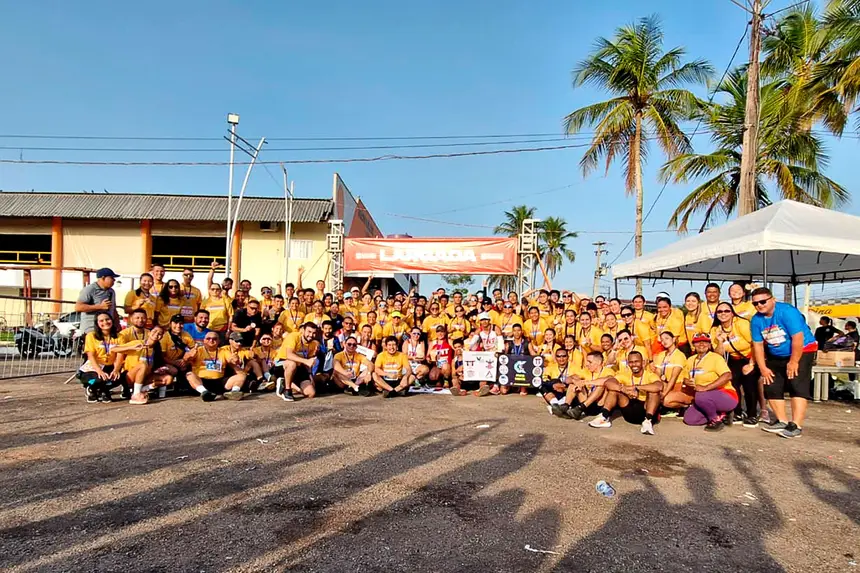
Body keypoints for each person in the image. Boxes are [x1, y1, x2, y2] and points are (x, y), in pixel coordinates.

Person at [750, 287, 817, 439]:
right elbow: (758, 345)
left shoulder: (787, 312)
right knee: (771, 383)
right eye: (755, 303)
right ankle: (782, 420)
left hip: (802, 349)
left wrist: (794, 361)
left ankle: (796, 425)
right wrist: (763, 368)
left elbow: (798, 338)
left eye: (763, 301)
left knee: (796, 384)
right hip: (776, 352)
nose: (759, 305)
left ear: (772, 299)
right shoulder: (756, 320)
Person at [587, 351, 663, 435]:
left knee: (654, 392)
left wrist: (636, 387)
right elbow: (608, 382)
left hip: (645, 410)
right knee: (614, 389)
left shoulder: (650, 375)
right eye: (631, 362)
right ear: (628, 364)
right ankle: (603, 417)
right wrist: (624, 389)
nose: (634, 364)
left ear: (643, 362)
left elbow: (659, 386)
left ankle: (648, 421)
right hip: (629, 410)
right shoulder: (625, 375)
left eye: (636, 361)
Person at [711, 302, 760, 427]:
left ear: (732, 313)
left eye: (726, 311)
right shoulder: (715, 330)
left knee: (749, 383)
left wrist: (751, 364)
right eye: (720, 312)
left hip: (751, 356)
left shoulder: (741, 324)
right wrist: (720, 341)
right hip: (734, 358)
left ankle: (752, 414)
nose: (723, 314)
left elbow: (755, 343)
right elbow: (717, 354)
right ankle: (737, 412)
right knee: (733, 383)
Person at [681, 333, 738, 431]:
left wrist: (706, 387)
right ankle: (721, 414)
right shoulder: (690, 360)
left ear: (709, 345)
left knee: (700, 395)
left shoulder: (715, 357)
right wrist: (686, 381)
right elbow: (685, 378)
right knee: (690, 419)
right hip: (704, 397)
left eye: (705, 342)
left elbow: (727, 375)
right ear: (693, 345)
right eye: (698, 342)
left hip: (726, 394)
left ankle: (715, 420)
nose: (701, 344)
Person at [120, 322, 173, 405]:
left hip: (145, 377)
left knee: (168, 378)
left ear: (161, 337)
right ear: (149, 333)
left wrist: (158, 370)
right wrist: (131, 347)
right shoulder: (138, 343)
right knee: (142, 365)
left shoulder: (156, 350)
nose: (156, 335)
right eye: (154, 332)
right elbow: (114, 349)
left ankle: (143, 389)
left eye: (160, 334)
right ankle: (136, 395)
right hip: (130, 376)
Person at [186, 331, 247, 402]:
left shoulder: (223, 351)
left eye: (214, 339)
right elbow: (185, 359)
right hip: (202, 381)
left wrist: (234, 359)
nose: (211, 340)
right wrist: (189, 355)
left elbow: (231, 359)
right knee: (189, 374)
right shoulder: (198, 350)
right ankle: (204, 392)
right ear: (204, 340)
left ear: (218, 341)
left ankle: (234, 392)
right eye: (208, 338)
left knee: (242, 375)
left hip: (219, 381)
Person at [79, 312, 125, 402]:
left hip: (110, 366)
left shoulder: (120, 336)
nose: (105, 322)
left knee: (119, 378)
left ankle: (103, 389)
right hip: (94, 367)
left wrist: (116, 370)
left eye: (107, 319)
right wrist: (99, 371)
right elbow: (90, 356)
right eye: (101, 321)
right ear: (97, 323)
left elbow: (120, 354)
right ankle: (91, 388)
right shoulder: (91, 336)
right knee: (97, 380)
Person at [275, 322, 321, 401]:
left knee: (311, 393)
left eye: (313, 333)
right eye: (309, 332)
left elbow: (309, 362)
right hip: (283, 363)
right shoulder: (293, 336)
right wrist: (306, 361)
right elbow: (289, 355)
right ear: (303, 330)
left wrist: (310, 376)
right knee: (292, 364)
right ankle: (287, 391)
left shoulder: (313, 344)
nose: (311, 335)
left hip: (299, 366)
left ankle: (286, 383)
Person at [565, 351, 614, 420]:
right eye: (587, 361)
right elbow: (567, 379)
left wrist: (586, 382)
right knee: (573, 383)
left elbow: (608, 379)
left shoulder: (608, 371)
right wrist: (576, 381)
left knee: (602, 385)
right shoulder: (586, 370)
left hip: (599, 405)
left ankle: (581, 408)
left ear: (599, 363)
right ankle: (565, 406)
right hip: (585, 400)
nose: (587, 364)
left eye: (590, 362)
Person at [75, 268, 120, 334]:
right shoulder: (89, 289)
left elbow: (113, 310)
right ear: (103, 278)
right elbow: (78, 307)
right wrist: (100, 306)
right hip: (92, 329)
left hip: (107, 329)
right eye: (111, 277)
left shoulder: (111, 291)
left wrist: (117, 324)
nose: (114, 280)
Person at [652, 331, 688, 414]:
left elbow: (674, 377)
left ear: (674, 339)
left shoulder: (679, 355)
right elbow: (657, 373)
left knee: (665, 401)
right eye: (662, 340)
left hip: (678, 386)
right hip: (666, 383)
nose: (664, 341)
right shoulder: (661, 355)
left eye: (667, 338)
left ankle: (685, 405)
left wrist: (664, 394)